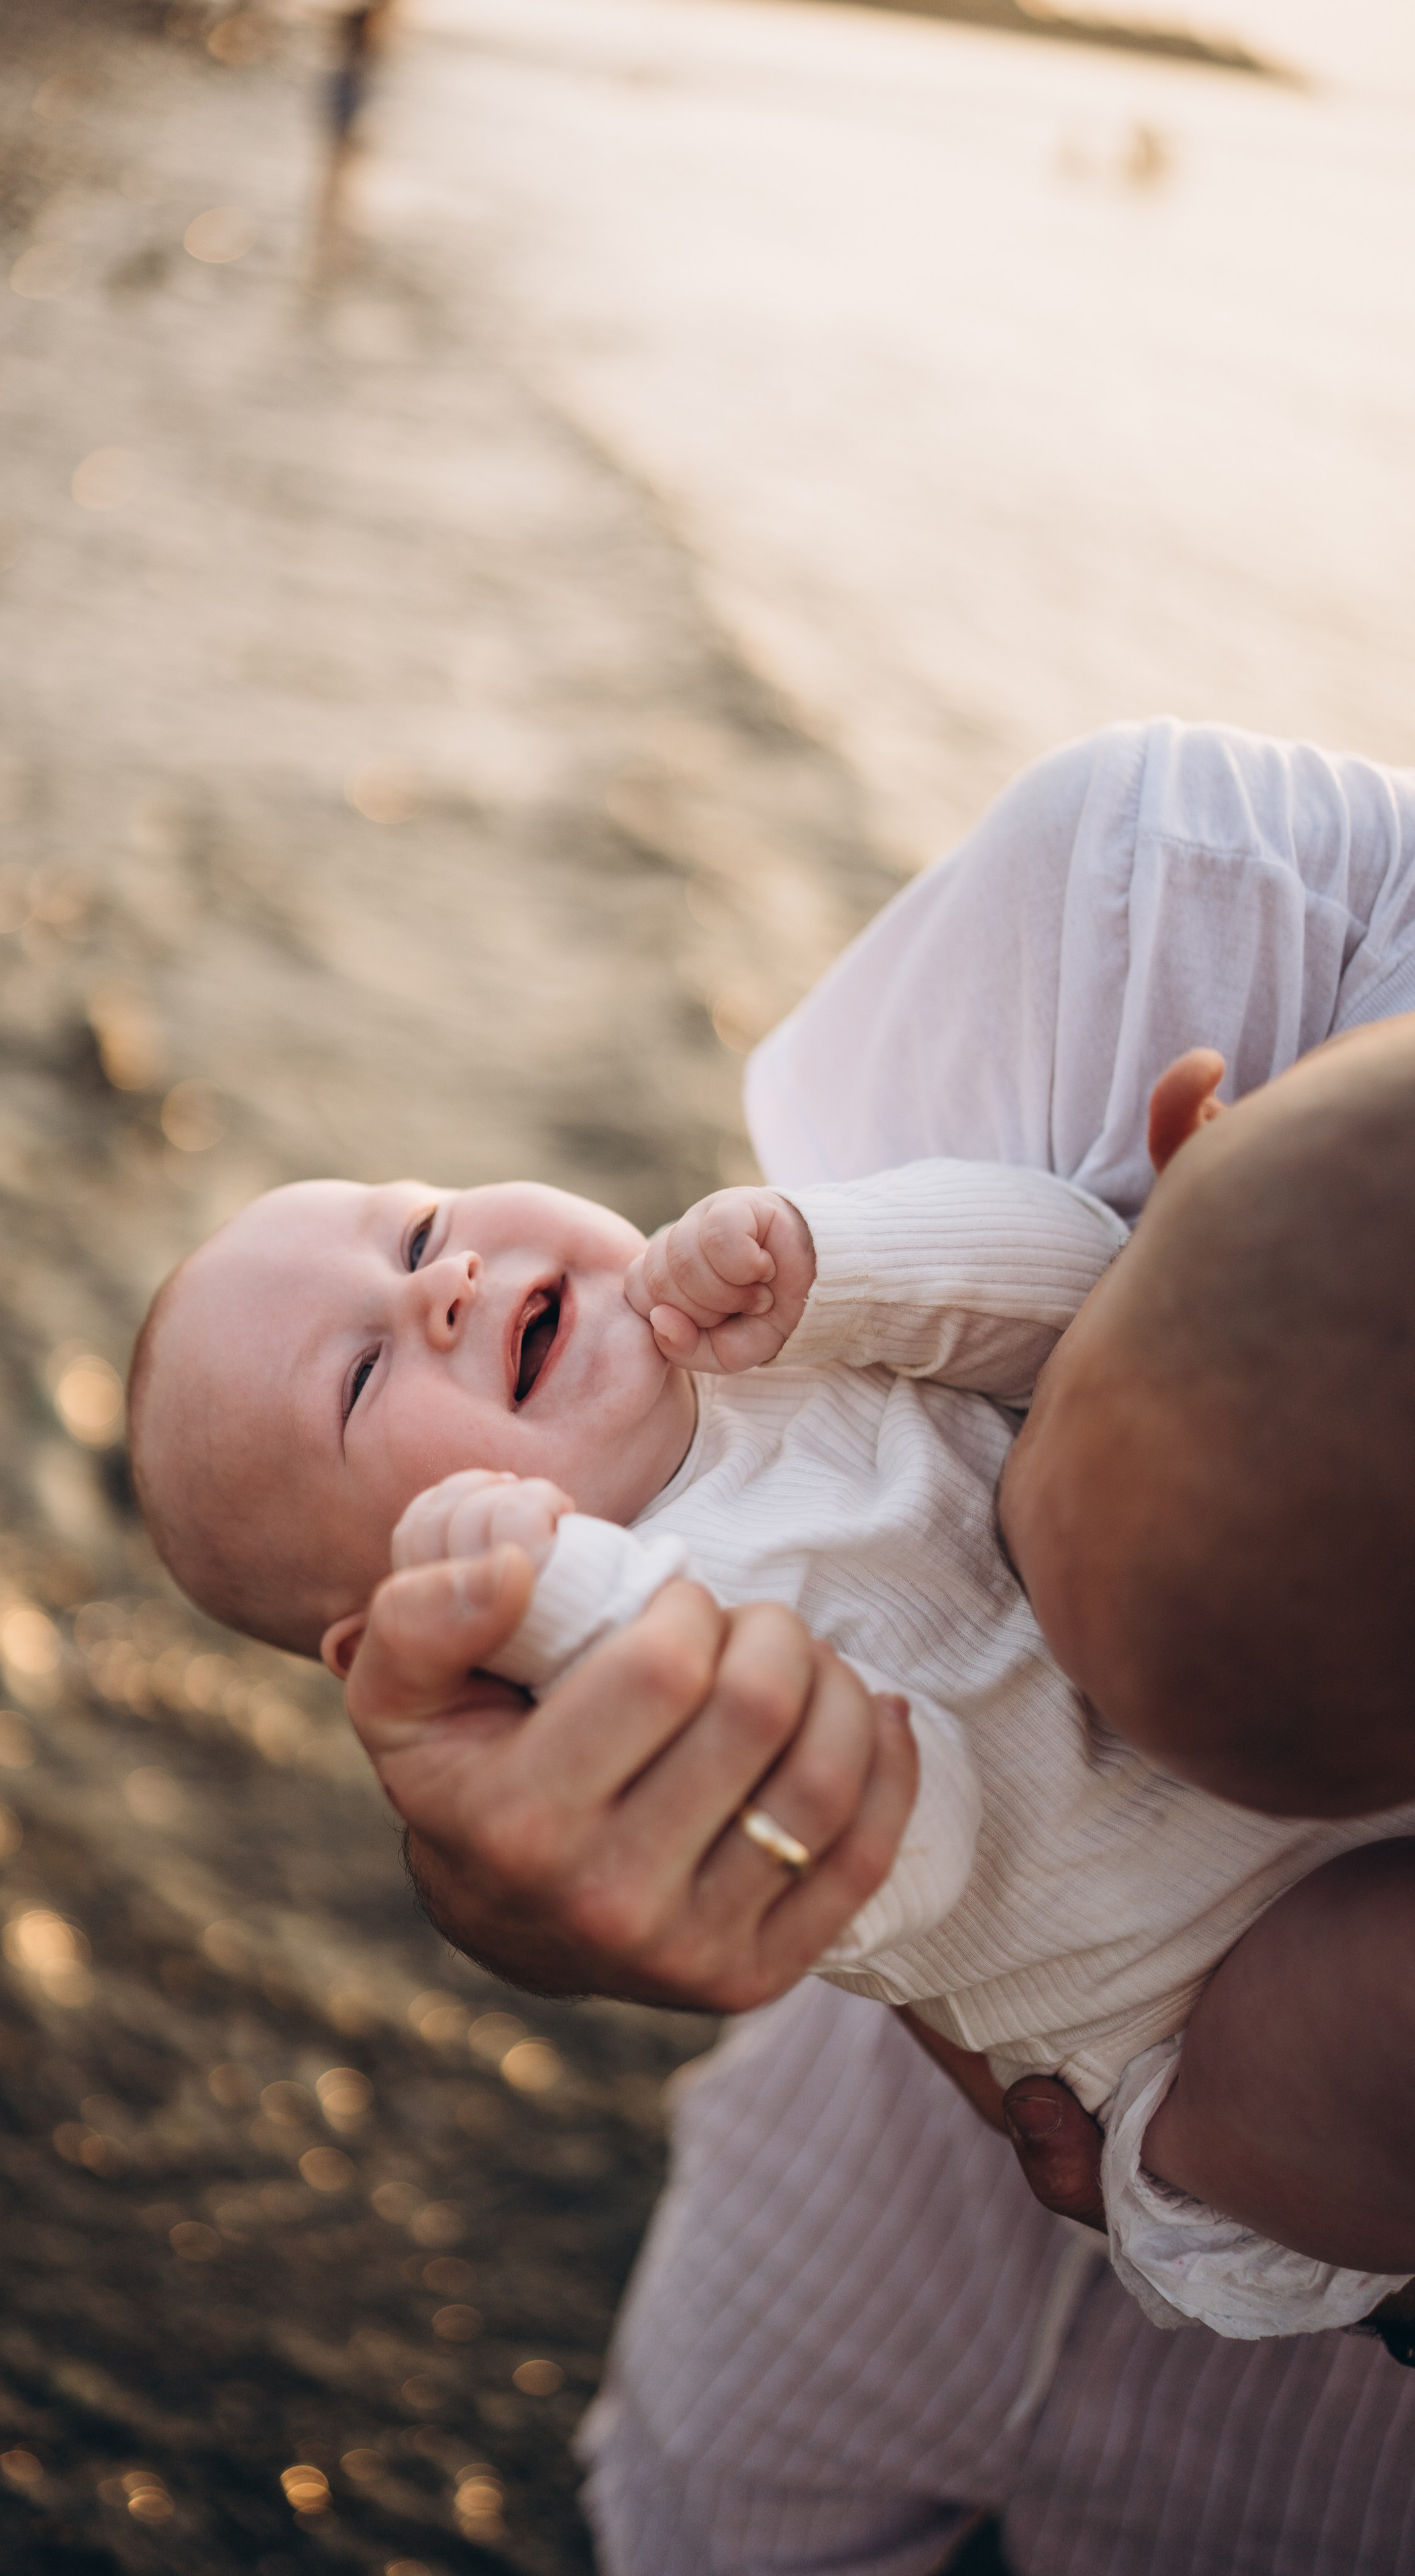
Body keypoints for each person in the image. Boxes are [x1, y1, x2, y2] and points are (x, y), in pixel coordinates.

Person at [335, 719, 1415, 2572]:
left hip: (1303, 2307)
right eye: (359, 1366)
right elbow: (1028, 1267)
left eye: (421, 1222)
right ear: (1191, 1132)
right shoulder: (1202, 883)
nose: (432, 1276)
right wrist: (508, 1840)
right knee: (703, 2520)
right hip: (899, 2164)